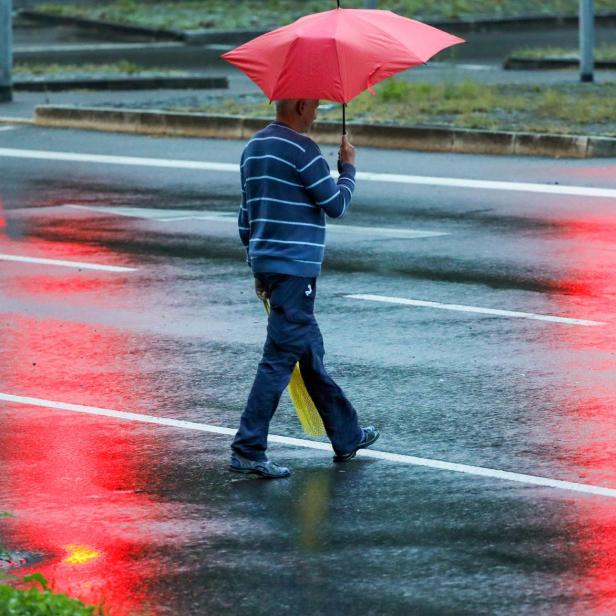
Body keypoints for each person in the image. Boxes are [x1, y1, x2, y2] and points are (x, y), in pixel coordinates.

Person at [230, 98, 379, 478]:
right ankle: (248, 448)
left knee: (308, 354)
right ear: (298, 105)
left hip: (269, 263)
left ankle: (346, 435)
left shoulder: (253, 148)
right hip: (296, 270)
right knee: (279, 359)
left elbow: (247, 213)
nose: (315, 114)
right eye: (313, 107)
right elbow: (335, 204)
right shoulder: (303, 149)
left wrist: (256, 267)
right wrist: (347, 168)